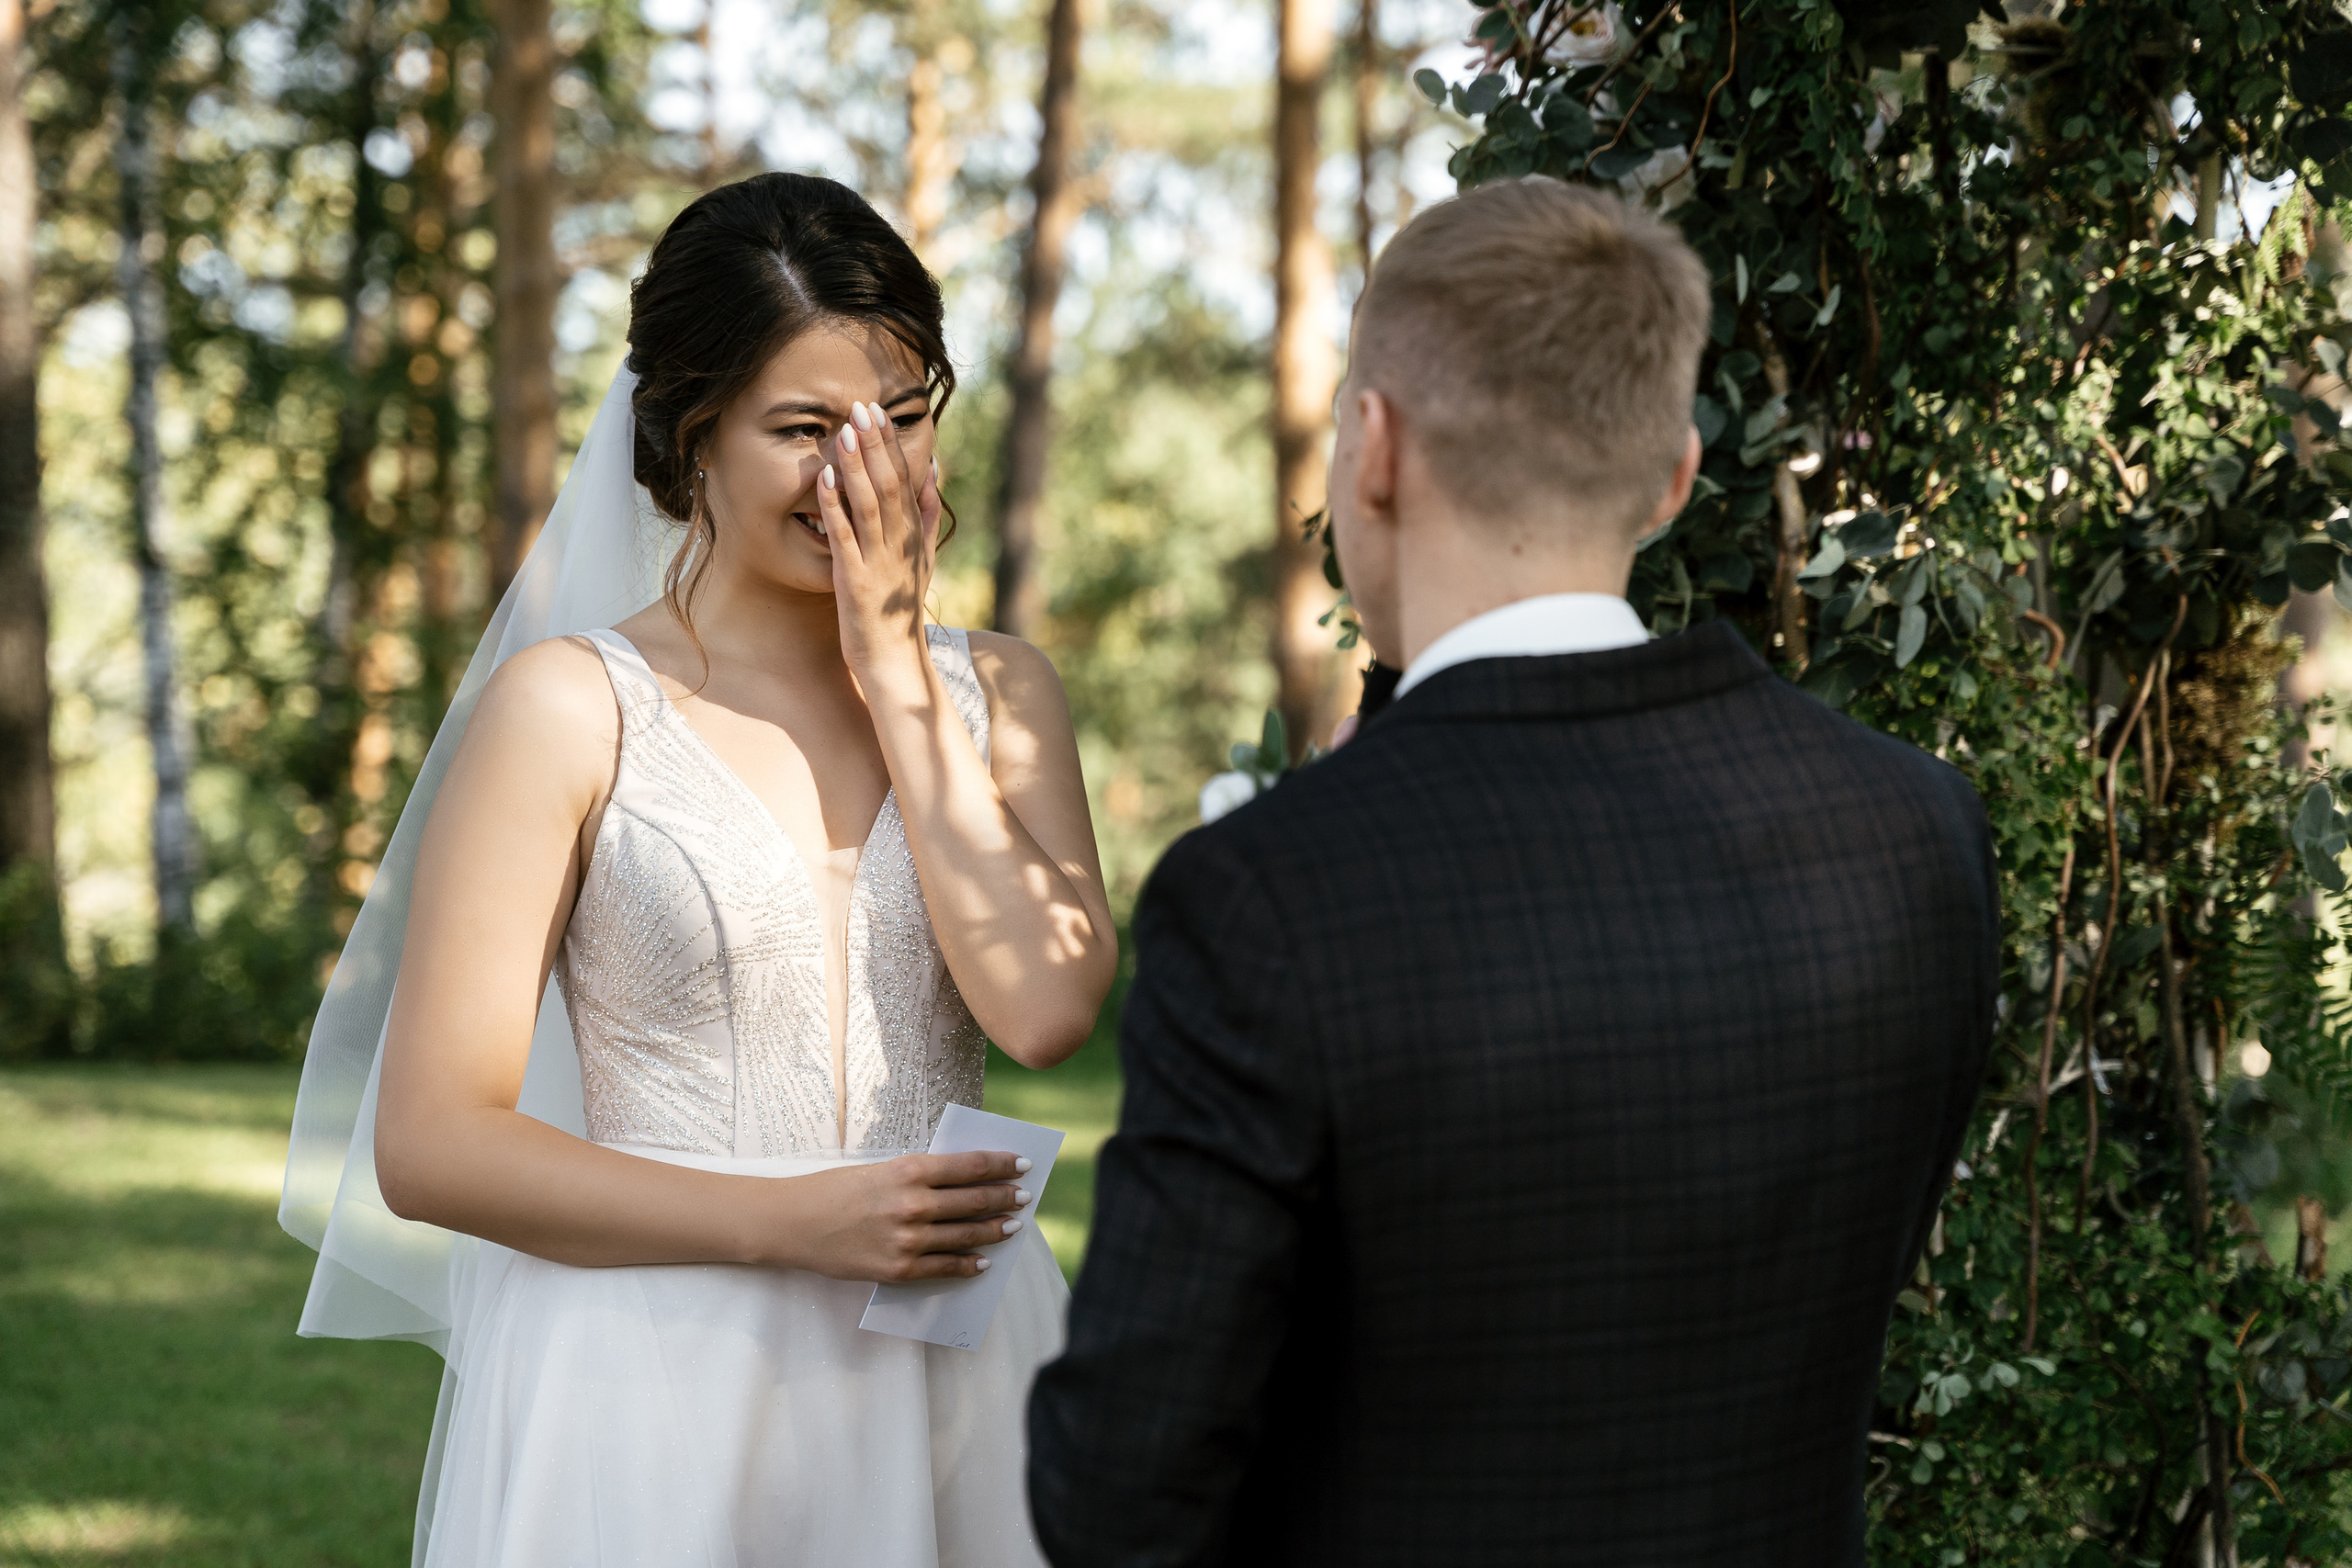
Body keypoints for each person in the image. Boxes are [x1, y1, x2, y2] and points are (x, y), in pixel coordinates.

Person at [1025, 177, 1999, 1566]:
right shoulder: (1917, 829)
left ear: (1374, 448)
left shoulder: (1271, 896)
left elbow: (1120, 1495)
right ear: (1674, 477)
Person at [279, 173, 1117, 1568]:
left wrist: (899, 674)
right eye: (805, 430)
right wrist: (795, 1221)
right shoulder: (569, 709)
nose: (867, 471)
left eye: (903, 417)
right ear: (692, 438)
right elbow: (430, 1145)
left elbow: (1044, 1011)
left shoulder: (1004, 696)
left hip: (958, 1365)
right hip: (657, 1372)